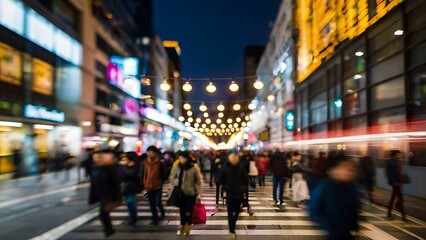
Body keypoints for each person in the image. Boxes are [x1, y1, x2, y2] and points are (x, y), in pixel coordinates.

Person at [309, 154, 360, 240]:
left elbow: (354, 209)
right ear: (332, 170)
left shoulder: (352, 188)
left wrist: (355, 227)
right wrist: (330, 226)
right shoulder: (324, 187)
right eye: (344, 168)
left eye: (350, 169)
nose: (348, 171)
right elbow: (314, 210)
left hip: (348, 234)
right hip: (334, 234)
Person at [89, 150, 122, 238]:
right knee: (104, 213)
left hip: (108, 195)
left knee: (103, 213)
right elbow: (93, 183)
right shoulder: (95, 167)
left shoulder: (109, 168)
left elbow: (116, 183)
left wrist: (117, 198)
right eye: (94, 157)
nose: (96, 159)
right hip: (100, 194)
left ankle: (109, 229)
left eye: (97, 157)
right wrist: (92, 197)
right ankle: (109, 229)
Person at [169, 151, 203, 236]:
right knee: (182, 210)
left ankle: (188, 225)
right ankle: (182, 225)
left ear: (187, 158)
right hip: (180, 192)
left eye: (183, 158)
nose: (181, 160)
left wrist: (199, 193)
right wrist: (176, 182)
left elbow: (199, 181)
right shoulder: (177, 167)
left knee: (189, 211)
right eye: (180, 158)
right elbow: (172, 177)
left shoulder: (193, 167)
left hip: (191, 192)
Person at [219, 152, 249, 238]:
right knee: (230, 212)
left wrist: (243, 188)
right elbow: (219, 180)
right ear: (229, 158)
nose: (234, 159)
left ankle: (233, 225)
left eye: (236, 157)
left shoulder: (241, 168)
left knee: (236, 212)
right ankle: (231, 230)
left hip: (239, 194)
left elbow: (246, 180)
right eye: (232, 157)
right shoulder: (225, 168)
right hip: (230, 194)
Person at [141, 146, 167, 225]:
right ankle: (155, 219)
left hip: (157, 186)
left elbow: (164, 174)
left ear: (155, 153)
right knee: (152, 204)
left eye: (151, 152)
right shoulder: (145, 163)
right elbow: (143, 174)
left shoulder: (160, 163)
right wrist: (143, 183)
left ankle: (162, 211)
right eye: (148, 152)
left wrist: (160, 181)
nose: (149, 154)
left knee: (158, 202)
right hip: (148, 186)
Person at [119, 152, 141, 226]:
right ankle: (132, 217)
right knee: (128, 203)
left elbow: (138, 176)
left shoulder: (136, 166)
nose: (124, 160)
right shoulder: (123, 167)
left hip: (132, 187)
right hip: (125, 187)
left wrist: (127, 176)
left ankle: (133, 218)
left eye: (126, 158)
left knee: (131, 201)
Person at [385, 150, 406, 221]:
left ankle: (389, 213)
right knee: (400, 199)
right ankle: (403, 216)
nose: (401, 155)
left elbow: (388, 173)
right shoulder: (394, 162)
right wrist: (397, 182)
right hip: (396, 183)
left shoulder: (391, 161)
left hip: (395, 182)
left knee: (393, 198)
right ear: (396, 154)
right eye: (399, 154)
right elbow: (395, 173)